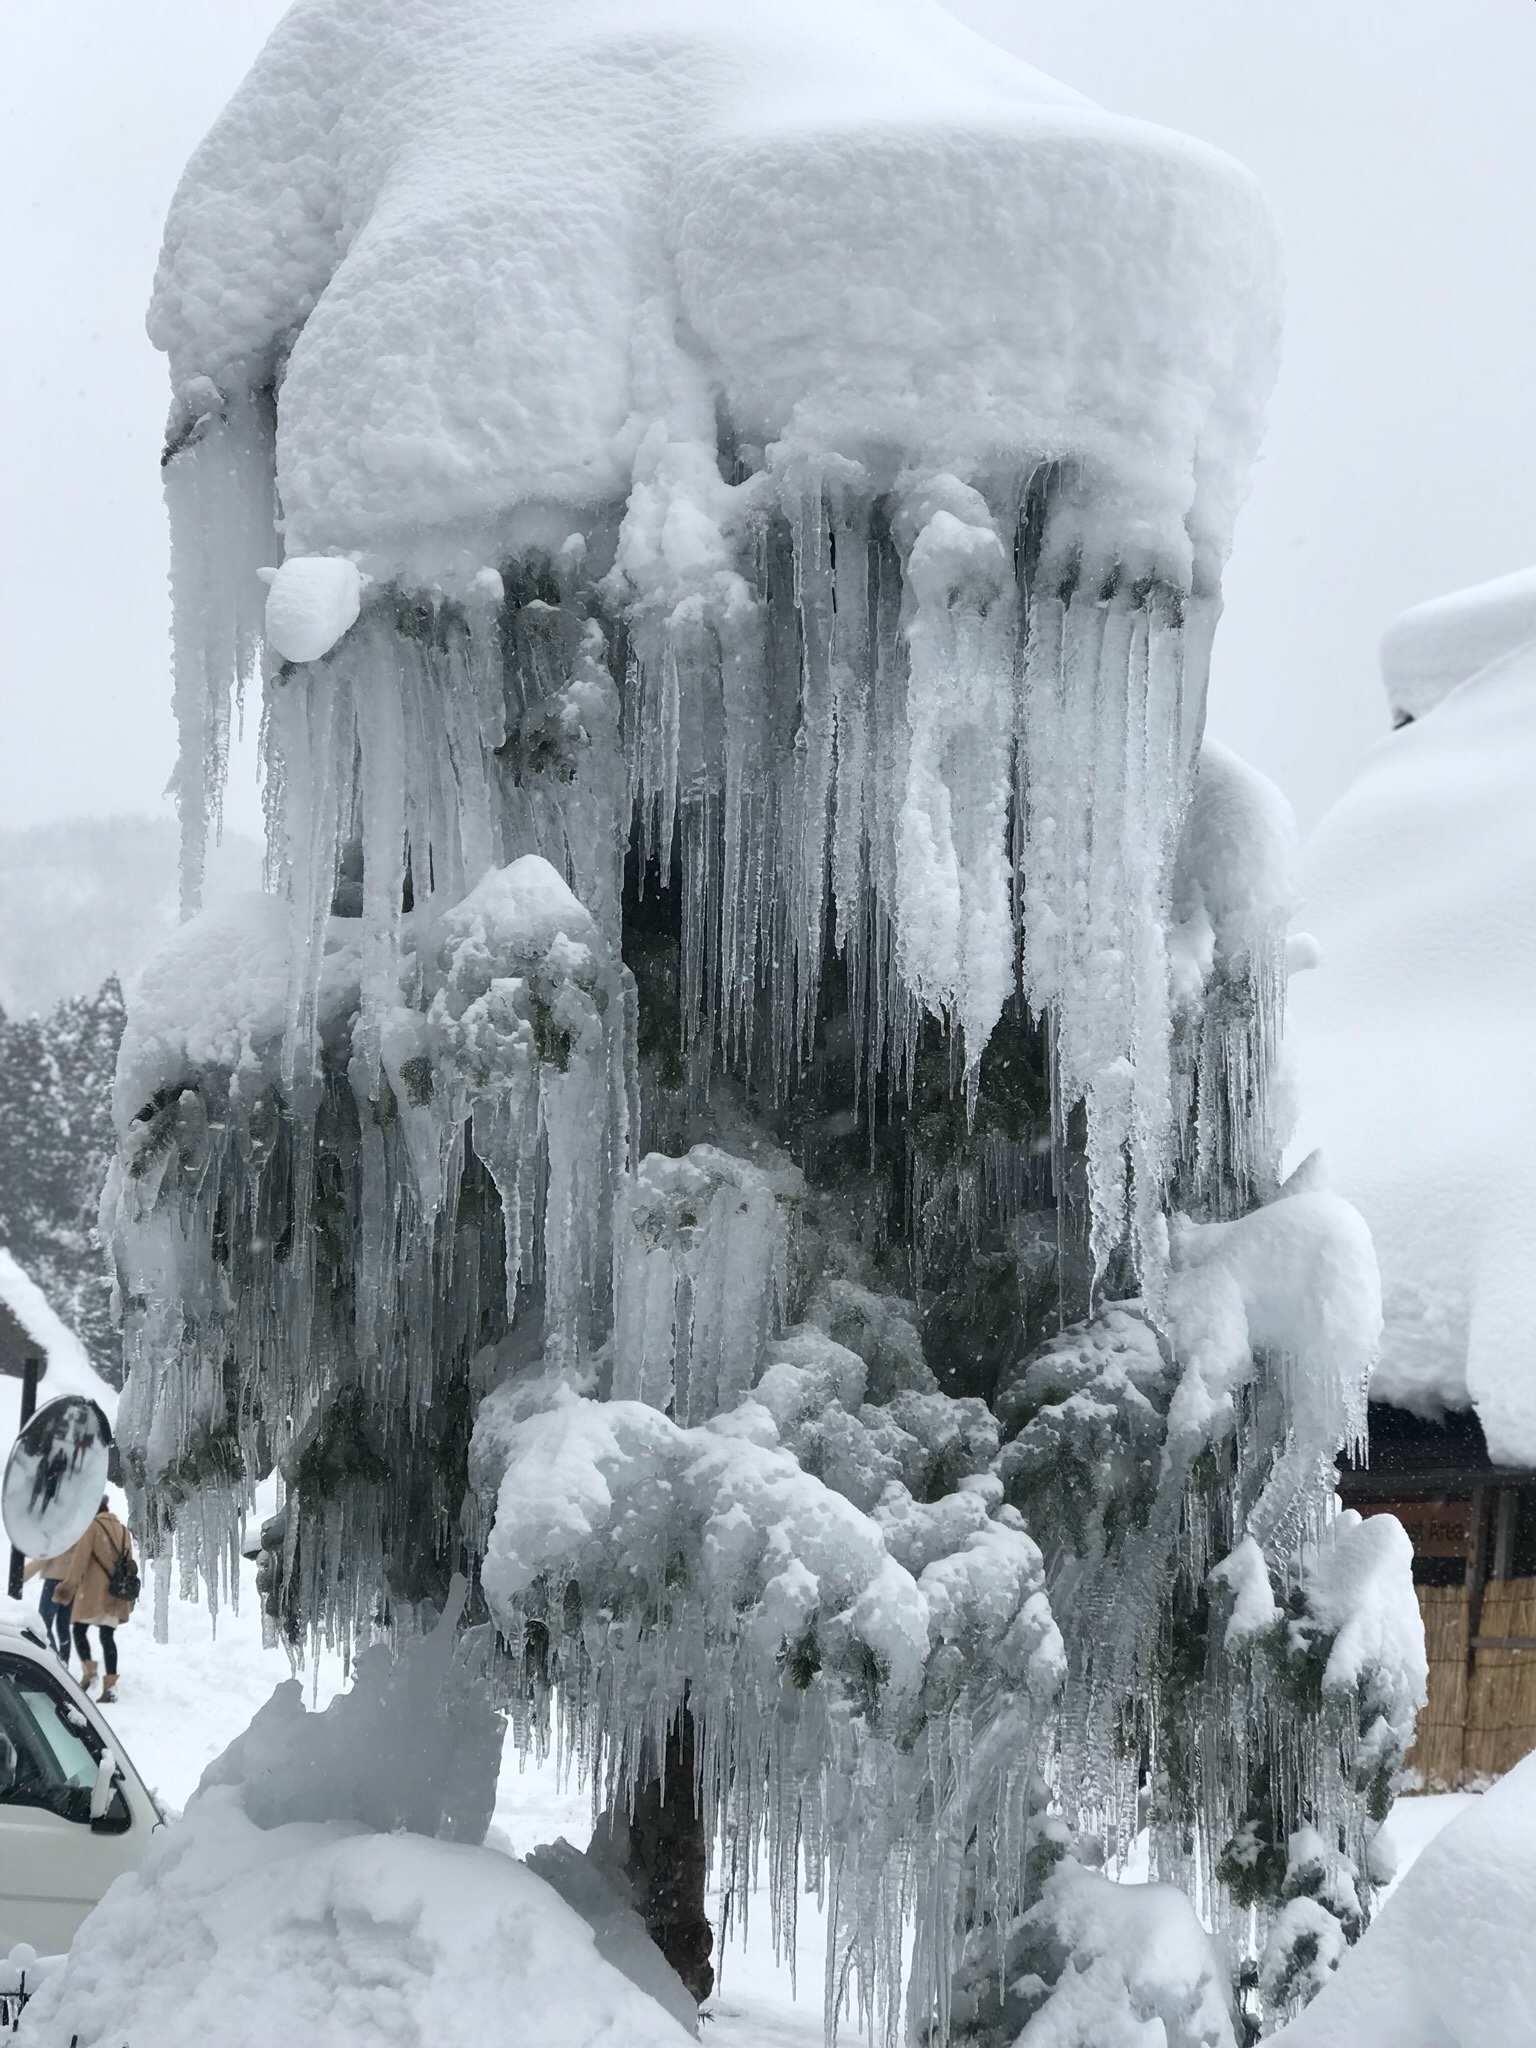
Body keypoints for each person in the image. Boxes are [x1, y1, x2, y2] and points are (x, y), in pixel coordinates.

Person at [54, 1497, 137, 1703]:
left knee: (79, 1631)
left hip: (92, 1593)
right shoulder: (123, 1531)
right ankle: (110, 1687)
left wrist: (68, 1588)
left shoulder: (92, 1527)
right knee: (107, 1637)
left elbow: (79, 1562)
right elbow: (129, 1565)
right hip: (115, 1593)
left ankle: (89, 1673)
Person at [22, 1550, 75, 1664]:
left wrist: (21, 1575)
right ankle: (64, 1663)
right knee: (63, 1626)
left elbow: (45, 1556)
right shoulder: (76, 1534)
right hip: (71, 1582)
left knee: (44, 1624)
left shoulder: (58, 1536)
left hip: (54, 1583)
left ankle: (55, 1662)